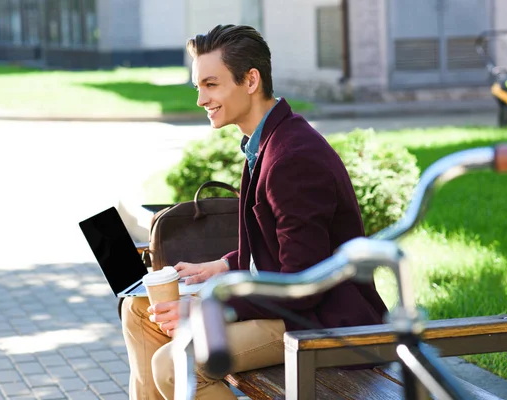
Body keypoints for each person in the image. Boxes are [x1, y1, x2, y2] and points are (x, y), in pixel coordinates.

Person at [121, 24, 388, 400]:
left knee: (174, 363)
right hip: (286, 306)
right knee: (138, 309)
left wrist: (206, 308)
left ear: (250, 80)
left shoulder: (292, 157)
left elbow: (301, 285)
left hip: (317, 322)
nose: (200, 99)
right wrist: (224, 265)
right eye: (198, 86)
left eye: (211, 85)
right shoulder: (265, 142)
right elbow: (282, 242)